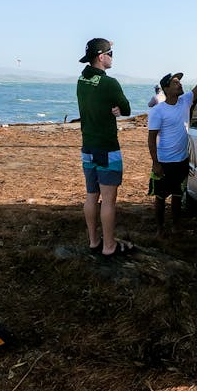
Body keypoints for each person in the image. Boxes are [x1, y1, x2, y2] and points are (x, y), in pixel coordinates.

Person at [76, 38, 133, 257]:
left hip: (87, 146)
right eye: (111, 53)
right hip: (107, 148)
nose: (112, 57)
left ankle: (94, 241)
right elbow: (126, 108)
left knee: (91, 195)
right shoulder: (110, 83)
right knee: (108, 200)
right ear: (102, 57)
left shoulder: (81, 80)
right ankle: (109, 246)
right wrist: (117, 108)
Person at [147, 69, 197, 231]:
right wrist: (156, 163)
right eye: (175, 82)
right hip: (164, 162)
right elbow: (151, 138)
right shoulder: (157, 111)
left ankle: (176, 226)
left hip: (182, 160)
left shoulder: (185, 101)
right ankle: (160, 229)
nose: (179, 84)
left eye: (179, 81)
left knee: (177, 195)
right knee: (160, 198)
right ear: (166, 89)